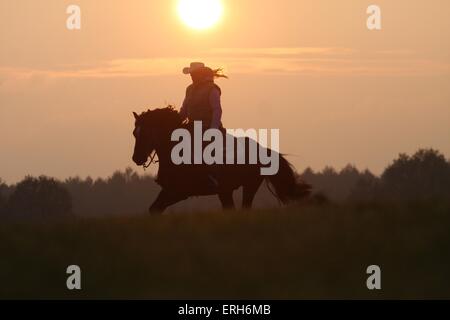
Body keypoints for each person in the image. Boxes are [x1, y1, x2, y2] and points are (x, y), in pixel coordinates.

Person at [179, 62, 228, 130]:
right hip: (192, 127)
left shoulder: (212, 89)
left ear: (201, 74)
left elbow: (217, 110)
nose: (192, 76)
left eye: (194, 74)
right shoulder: (189, 89)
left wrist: (213, 129)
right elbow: (184, 109)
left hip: (207, 127)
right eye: (191, 74)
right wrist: (176, 121)